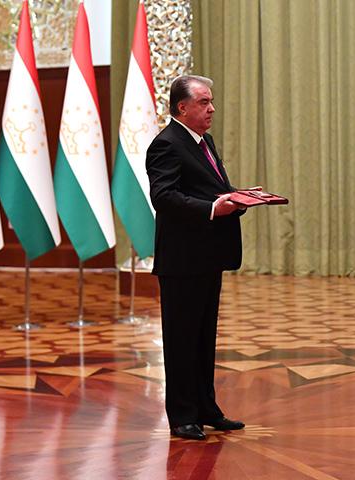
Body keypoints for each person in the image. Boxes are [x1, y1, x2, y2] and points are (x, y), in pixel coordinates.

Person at [146, 74, 246, 440]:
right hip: (182, 260)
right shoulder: (166, 144)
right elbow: (164, 197)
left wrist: (238, 196)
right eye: (204, 102)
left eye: (211, 101)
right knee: (181, 340)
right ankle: (183, 416)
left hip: (207, 256)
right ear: (182, 107)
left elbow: (209, 188)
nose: (211, 109)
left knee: (204, 338)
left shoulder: (204, 141)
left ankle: (206, 409)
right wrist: (212, 209)